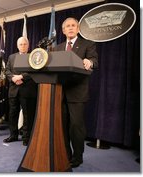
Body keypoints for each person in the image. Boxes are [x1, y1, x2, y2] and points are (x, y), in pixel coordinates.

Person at [53, 17, 98, 168]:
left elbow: (94, 61)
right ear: (63, 30)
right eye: (67, 26)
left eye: (73, 25)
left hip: (77, 93)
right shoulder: (57, 47)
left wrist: (89, 62)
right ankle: (66, 154)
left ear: (78, 29)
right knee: (62, 126)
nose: (70, 28)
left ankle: (77, 157)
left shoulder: (87, 44)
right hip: (59, 93)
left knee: (76, 126)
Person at [3, 36, 37, 146]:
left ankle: (26, 138)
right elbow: (7, 70)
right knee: (12, 114)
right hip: (14, 90)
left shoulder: (33, 57)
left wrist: (21, 77)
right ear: (17, 46)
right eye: (21, 44)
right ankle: (13, 135)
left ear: (28, 45)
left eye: (25, 44)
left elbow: (34, 71)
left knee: (28, 115)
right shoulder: (12, 57)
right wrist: (13, 78)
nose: (23, 46)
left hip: (27, 90)